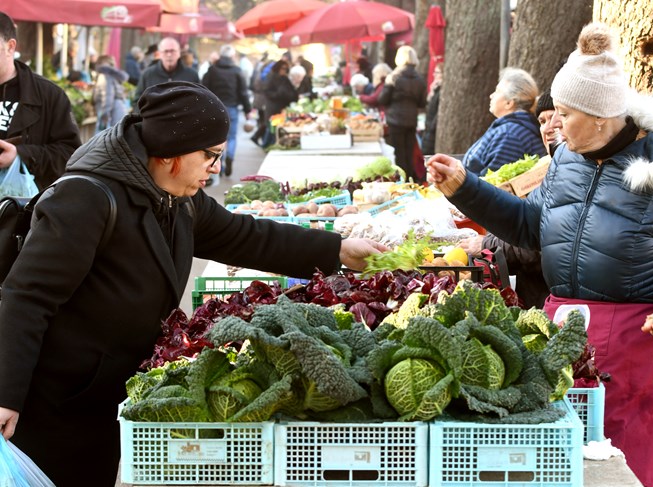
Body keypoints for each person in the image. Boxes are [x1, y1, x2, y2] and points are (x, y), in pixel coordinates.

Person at [0, 81, 388, 487]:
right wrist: (6, 395)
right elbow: (26, 298)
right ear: (171, 153)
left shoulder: (177, 196)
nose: (216, 168)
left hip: (108, 391)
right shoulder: (86, 198)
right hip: (59, 399)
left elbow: (246, 236)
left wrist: (338, 250)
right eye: (210, 155)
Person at [426, 23, 653, 487]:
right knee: (559, 467)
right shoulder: (566, 158)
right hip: (566, 333)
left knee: (623, 471)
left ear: (601, 118)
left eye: (564, 114)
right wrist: (465, 189)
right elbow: (531, 226)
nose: (552, 123)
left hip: (642, 344)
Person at [456, 90, 558, 309]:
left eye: (558, 118)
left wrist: (487, 243)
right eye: (543, 120)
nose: (549, 128)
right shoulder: (552, 168)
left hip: (546, 302)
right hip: (537, 298)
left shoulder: (567, 174)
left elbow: (539, 241)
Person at [0, 12, 81, 191]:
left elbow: (70, 155)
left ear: (10, 46)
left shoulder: (49, 95)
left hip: (24, 211)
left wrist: (20, 156)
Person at [463, 67, 546, 176]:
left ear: (509, 103)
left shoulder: (510, 134)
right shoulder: (511, 129)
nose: (491, 96)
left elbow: (491, 183)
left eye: (497, 91)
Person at [378, 45, 427, 183]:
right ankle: (410, 180)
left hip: (395, 120)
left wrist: (387, 85)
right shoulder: (420, 79)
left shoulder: (393, 77)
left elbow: (382, 99)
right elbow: (422, 103)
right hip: (411, 120)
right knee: (409, 152)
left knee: (398, 153)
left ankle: (401, 181)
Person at [202, 44, 252, 177]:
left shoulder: (212, 70)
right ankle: (230, 156)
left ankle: (221, 164)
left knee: (218, 138)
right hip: (232, 108)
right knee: (232, 137)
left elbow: (203, 88)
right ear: (232, 56)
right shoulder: (237, 70)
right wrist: (248, 110)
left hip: (216, 108)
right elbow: (243, 92)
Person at [133, 37, 199, 109]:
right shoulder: (147, 75)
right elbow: (137, 101)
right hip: (155, 119)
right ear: (159, 53)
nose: (169, 55)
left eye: (172, 51)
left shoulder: (192, 75)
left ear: (179, 53)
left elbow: (199, 100)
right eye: (166, 51)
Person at [262, 59, 298, 148]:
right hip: (273, 106)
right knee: (271, 127)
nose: (284, 70)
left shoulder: (285, 79)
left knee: (275, 127)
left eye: (286, 69)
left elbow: (291, 92)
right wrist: (278, 94)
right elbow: (267, 91)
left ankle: (269, 144)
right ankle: (266, 144)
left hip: (282, 106)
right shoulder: (271, 77)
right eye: (282, 68)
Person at [92, 55, 130, 132]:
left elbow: (107, 96)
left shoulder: (104, 75)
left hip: (112, 112)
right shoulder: (113, 75)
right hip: (118, 110)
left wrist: (104, 115)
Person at [421, 61, 443, 156]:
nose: (434, 75)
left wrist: (431, 128)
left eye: (437, 72)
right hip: (429, 129)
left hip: (432, 131)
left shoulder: (442, 91)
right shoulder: (436, 89)